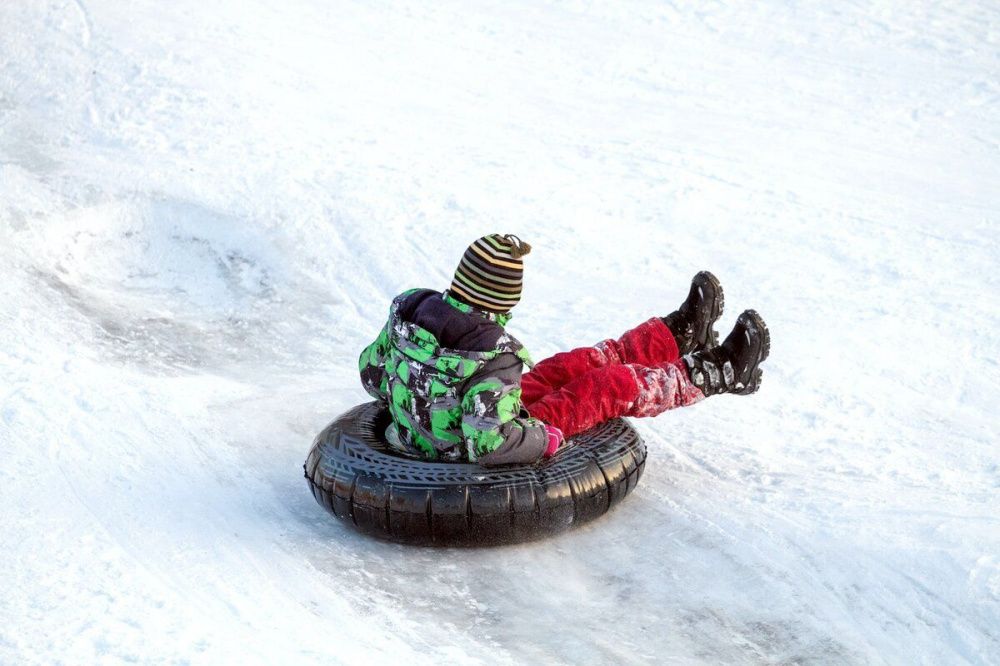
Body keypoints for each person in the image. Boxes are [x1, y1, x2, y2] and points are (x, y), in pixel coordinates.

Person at [359, 234, 770, 466]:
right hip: (459, 451)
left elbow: (372, 374)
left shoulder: (411, 311)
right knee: (606, 386)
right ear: (502, 301)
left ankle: (675, 336)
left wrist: (419, 394)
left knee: (566, 366)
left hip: (451, 417)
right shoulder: (491, 357)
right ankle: (718, 372)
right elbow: (489, 443)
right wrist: (543, 439)